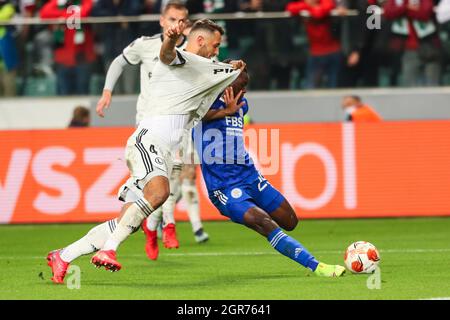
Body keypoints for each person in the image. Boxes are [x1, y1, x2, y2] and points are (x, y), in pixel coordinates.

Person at [46, 19, 244, 283]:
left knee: (128, 220)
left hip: (159, 151)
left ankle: (63, 255)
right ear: (200, 41)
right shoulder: (180, 59)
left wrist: (226, 110)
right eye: (215, 45)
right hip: (147, 141)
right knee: (161, 192)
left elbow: (198, 112)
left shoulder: (198, 75)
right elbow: (167, 54)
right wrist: (171, 39)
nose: (216, 51)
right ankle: (108, 250)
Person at [192, 67, 345, 277]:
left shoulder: (241, 105)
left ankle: (252, 210)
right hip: (223, 187)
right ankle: (317, 266)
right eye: (239, 86)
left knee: (290, 221)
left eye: (245, 87)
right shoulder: (203, 101)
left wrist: (231, 107)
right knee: (264, 221)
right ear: (223, 84)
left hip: (250, 176)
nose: (243, 92)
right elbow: (192, 113)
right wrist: (224, 111)